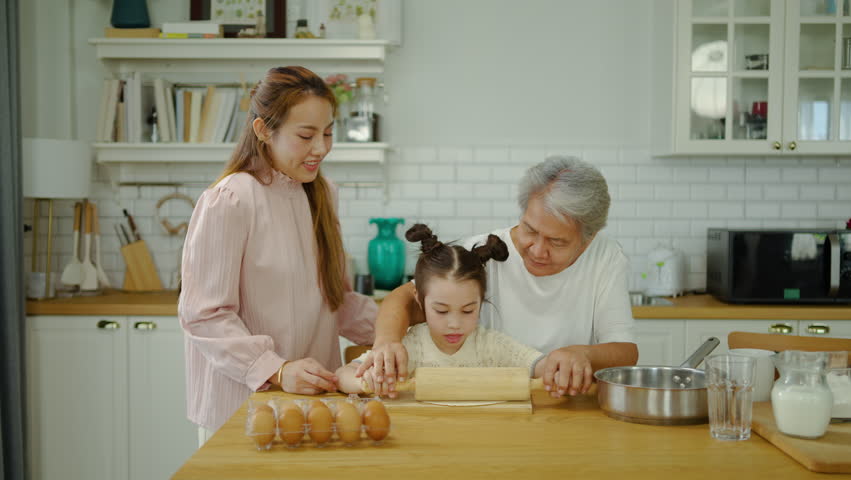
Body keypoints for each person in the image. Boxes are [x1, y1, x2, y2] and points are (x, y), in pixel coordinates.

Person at [178, 66, 377, 443]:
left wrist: (401, 324)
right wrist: (278, 370)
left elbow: (336, 302)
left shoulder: (322, 194)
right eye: (306, 135)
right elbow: (204, 314)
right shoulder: (232, 198)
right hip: (240, 410)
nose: (321, 148)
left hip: (315, 405)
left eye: (328, 133)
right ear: (263, 131)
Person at [356, 156, 637, 398]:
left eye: (557, 242)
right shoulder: (484, 251)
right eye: (529, 229)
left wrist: (584, 355)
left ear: (588, 240)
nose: (538, 250)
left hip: (562, 401)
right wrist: (387, 342)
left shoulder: (605, 256)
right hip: (493, 402)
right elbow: (405, 296)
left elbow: (625, 351)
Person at [337, 224, 545, 396]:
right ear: (419, 300)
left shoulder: (490, 345)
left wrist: (561, 366)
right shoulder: (412, 346)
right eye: (442, 311)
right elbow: (343, 375)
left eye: (467, 311)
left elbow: (538, 364)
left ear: (481, 301)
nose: (454, 324)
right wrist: (365, 381)